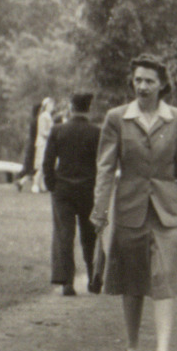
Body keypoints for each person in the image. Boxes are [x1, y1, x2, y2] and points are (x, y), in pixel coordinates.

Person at [93, 55, 177, 351]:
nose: (142, 86)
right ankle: (132, 346)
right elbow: (105, 168)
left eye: (149, 81)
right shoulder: (117, 118)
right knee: (133, 281)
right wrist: (100, 211)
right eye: (138, 80)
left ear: (162, 84)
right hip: (130, 208)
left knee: (164, 277)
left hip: (167, 211)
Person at [44, 91, 102, 295]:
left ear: (71, 106)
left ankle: (66, 282)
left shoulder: (58, 130)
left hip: (63, 189)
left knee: (64, 234)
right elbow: (102, 163)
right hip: (89, 189)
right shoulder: (96, 132)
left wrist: (52, 185)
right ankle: (94, 277)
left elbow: (48, 162)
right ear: (89, 108)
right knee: (91, 235)